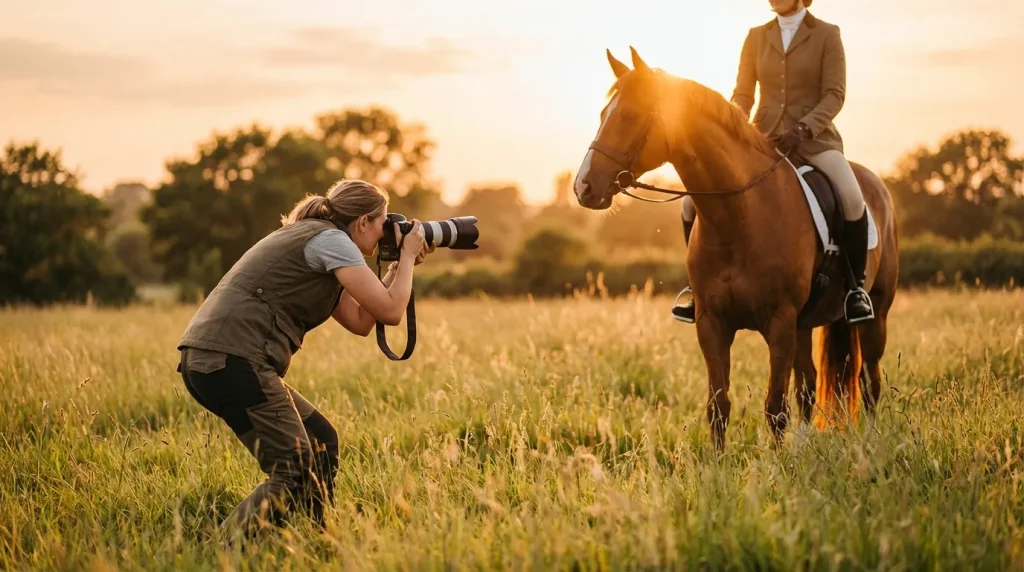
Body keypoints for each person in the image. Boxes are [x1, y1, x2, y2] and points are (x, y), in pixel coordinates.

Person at [175, 179, 432, 536]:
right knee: (293, 467)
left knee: (322, 442)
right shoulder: (333, 242)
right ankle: (223, 550)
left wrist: (394, 268)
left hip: (213, 360)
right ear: (362, 222)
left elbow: (361, 321)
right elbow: (390, 312)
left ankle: (314, 537)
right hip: (231, 360)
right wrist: (406, 258)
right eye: (382, 223)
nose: (384, 233)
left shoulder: (323, 242)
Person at [671, 0, 874, 324]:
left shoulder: (826, 34)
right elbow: (743, 94)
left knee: (852, 198)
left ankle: (855, 289)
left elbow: (834, 94)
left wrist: (804, 127)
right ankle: (698, 289)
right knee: (687, 203)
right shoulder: (755, 37)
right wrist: (730, 128)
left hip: (814, 140)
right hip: (762, 139)